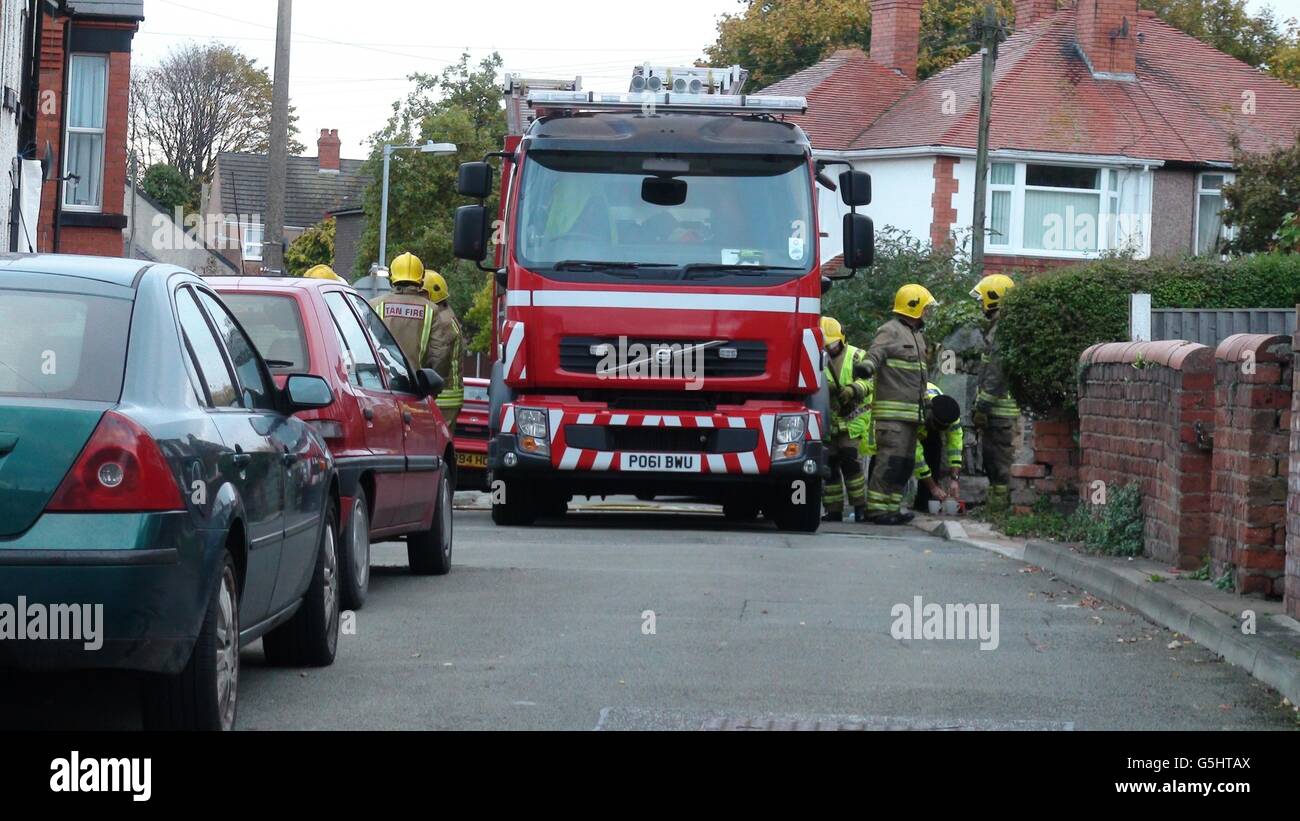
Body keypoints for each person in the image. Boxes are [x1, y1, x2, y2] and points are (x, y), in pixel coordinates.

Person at [862, 284, 935, 525]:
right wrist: (867, 367)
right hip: (892, 418)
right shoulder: (890, 331)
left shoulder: (917, 336)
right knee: (889, 463)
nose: (927, 312)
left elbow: (921, 379)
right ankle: (876, 509)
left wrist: (928, 406)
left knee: (904, 465)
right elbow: (875, 354)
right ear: (913, 307)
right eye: (925, 308)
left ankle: (892, 508)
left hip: (912, 417)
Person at [369, 253, 464, 431]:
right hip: (415, 394)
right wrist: (430, 387)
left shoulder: (374, 306)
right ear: (420, 281)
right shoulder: (432, 310)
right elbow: (440, 355)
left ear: (392, 278)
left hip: (379, 391)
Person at [970, 274, 1019, 512]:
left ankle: (1001, 508)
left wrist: (982, 406)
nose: (980, 304)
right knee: (993, 459)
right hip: (999, 410)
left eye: (982, 299)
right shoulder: (1001, 326)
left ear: (993, 298)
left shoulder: (1001, 329)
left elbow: (995, 372)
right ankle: (997, 504)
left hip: (1000, 411)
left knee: (999, 461)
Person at [819, 316, 870, 522]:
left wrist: (853, 390)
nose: (830, 348)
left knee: (851, 464)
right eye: (826, 345)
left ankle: (860, 507)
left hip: (853, 420)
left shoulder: (857, 356)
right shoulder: (818, 359)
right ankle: (833, 510)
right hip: (830, 421)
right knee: (829, 466)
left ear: (841, 339)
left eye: (832, 343)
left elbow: (870, 382)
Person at [422, 269, 464, 434]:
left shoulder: (441, 320)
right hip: (450, 395)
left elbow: (438, 357)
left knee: (437, 443)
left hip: (443, 395)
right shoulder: (447, 315)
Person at [912, 384, 964, 512]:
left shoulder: (951, 415)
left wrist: (954, 479)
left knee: (934, 450)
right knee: (904, 459)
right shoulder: (917, 411)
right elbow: (917, 457)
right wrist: (933, 487)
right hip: (912, 416)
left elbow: (955, 448)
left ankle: (924, 503)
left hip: (930, 416)